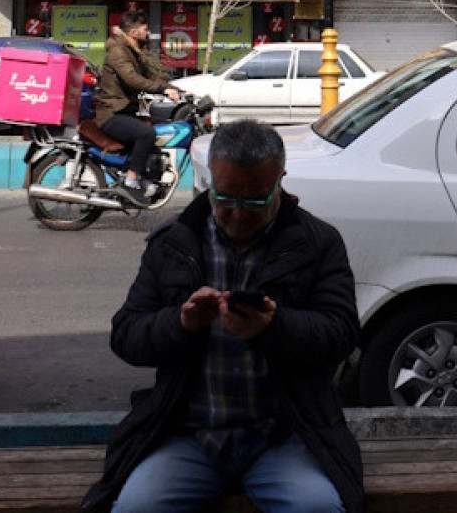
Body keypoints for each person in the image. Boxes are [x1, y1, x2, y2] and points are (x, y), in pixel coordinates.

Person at [84, 120, 361, 513]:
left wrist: (274, 327)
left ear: (280, 181)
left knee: (318, 508)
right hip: (189, 434)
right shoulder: (174, 242)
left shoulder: (317, 242)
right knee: (134, 507)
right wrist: (180, 324)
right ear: (210, 180)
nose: (238, 215)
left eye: (256, 201)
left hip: (284, 435)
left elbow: (342, 333)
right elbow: (126, 334)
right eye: (226, 198)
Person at [91, 10, 180, 197]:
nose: (148, 33)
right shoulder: (118, 51)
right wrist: (162, 90)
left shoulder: (132, 50)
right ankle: (131, 181)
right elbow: (132, 79)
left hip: (124, 110)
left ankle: (142, 176)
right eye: (145, 29)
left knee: (154, 131)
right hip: (111, 114)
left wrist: (175, 88)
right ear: (133, 32)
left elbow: (150, 76)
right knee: (146, 133)